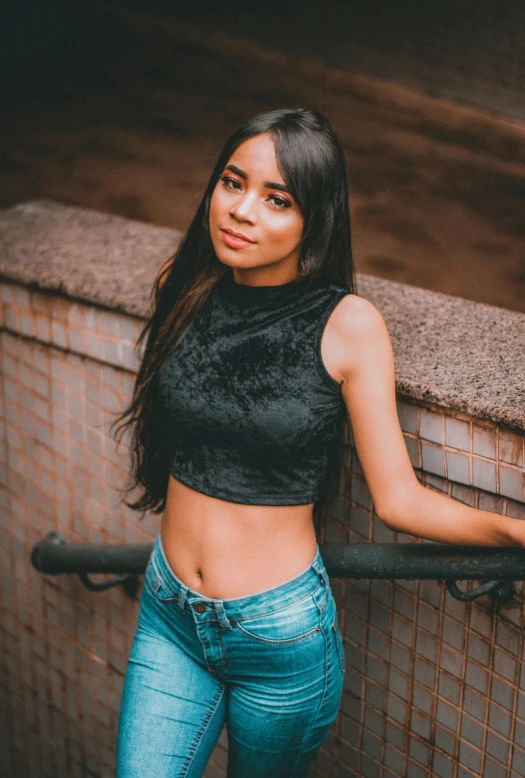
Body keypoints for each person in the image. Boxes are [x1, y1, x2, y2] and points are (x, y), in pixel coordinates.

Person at [112, 108, 525, 778]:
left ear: (315, 219)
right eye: (231, 183)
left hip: (277, 637)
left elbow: (398, 500)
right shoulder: (184, 289)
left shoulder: (347, 324)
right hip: (169, 613)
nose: (242, 211)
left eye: (277, 200)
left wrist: (514, 534)